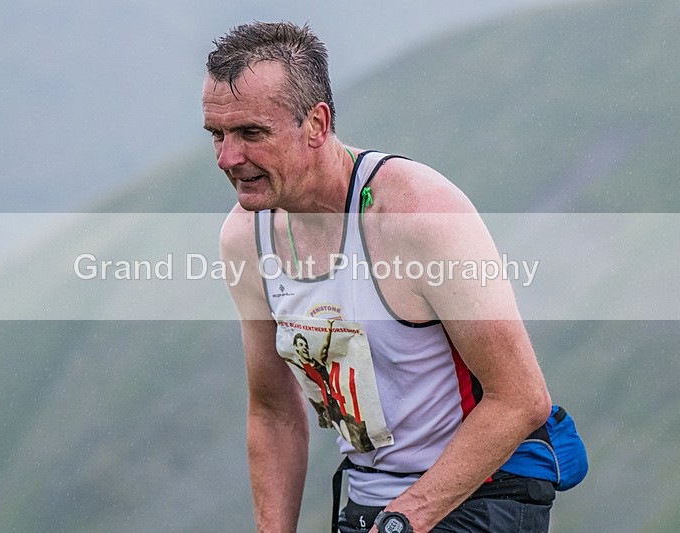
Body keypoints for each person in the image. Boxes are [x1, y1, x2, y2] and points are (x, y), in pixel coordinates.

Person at [203, 21, 554, 533]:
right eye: (218, 134)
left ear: (316, 124)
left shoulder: (416, 212)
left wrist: (404, 519)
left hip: (482, 490)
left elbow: (522, 397)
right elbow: (275, 409)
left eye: (252, 133)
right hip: (369, 497)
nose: (229, 158)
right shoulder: (244, 238)